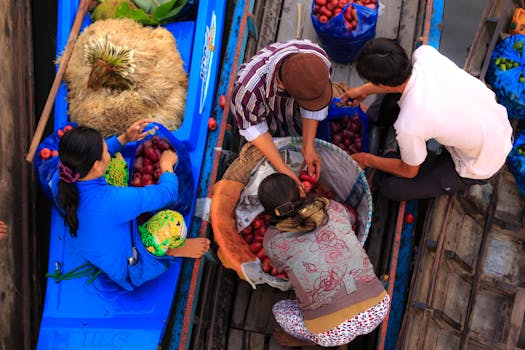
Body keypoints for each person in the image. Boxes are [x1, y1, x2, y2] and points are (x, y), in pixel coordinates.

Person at [341, 38, 513, 201]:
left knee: (390, 187)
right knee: (391, 104)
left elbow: (409, 171)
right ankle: (405, 152)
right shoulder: (425, 55)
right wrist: (363, 90)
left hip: (481, 162)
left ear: (383, 84)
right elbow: (396, 83)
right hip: (495, 122)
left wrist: (365, 159)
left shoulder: (409, 124)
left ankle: (406, 157)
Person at [53, 120, 210, 290]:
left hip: (104, 240)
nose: (108, 148)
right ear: (97, 166)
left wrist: (125, 138)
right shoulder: (112, 201)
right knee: (171, 220)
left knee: (116, 166)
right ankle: (170, 250)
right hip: (131, 267)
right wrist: (166, 166)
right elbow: (168, 194)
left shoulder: (62, 178)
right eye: (105, 149)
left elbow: (101, 161)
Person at [258, 173, 390, 347]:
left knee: (279, 310)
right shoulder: (331, 208)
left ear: (269, 214)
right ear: (301, 190)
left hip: (330, 333)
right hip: (377, 308)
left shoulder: (273, 241)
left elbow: (279, 265)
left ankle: (307, 342)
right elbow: (350, 219)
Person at [230, 39, 336, 187]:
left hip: (297, 118)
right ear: (280, 84)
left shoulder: (317, 58)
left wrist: (308, 145)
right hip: (272, 123)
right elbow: (253, 127)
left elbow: (313, 108)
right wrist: (283, 169)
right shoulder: (248, 90)